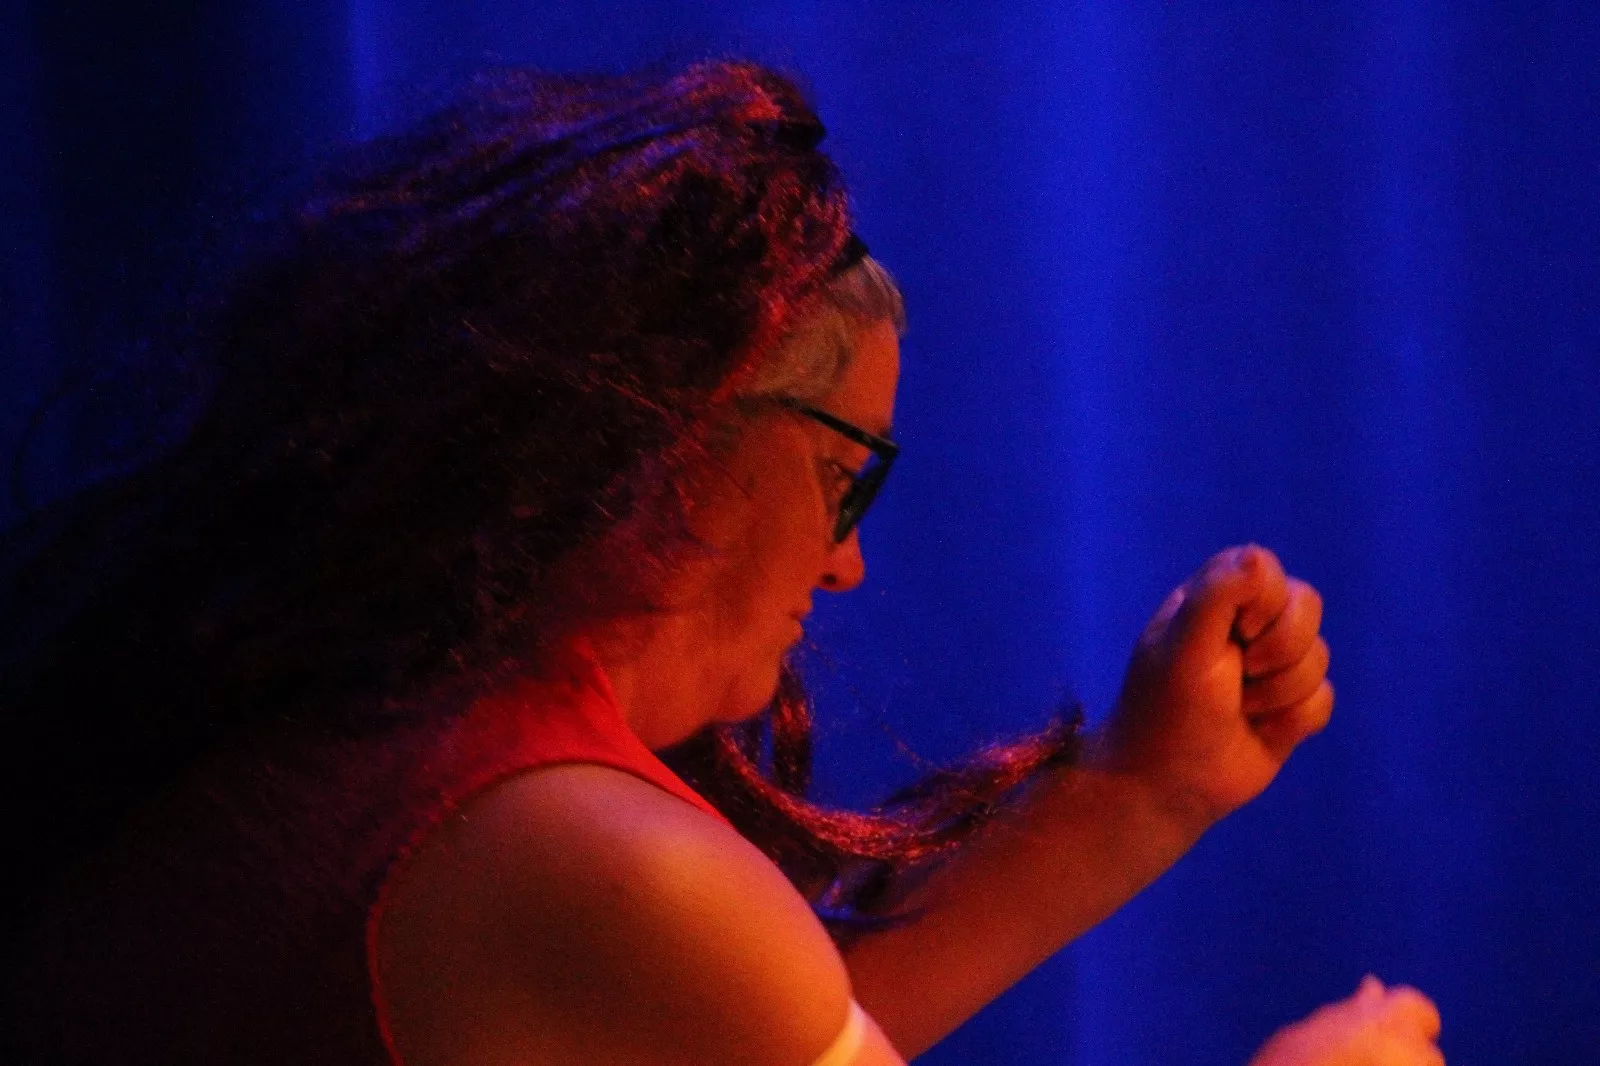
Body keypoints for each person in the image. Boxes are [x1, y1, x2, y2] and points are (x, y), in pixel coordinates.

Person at [0, 60, 1444, 1065]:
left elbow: (740, 1021)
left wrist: (1143, 785)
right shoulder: (586, 854)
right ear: (679, 433)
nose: (849, 562)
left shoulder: (381, 732)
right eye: (842, 472)